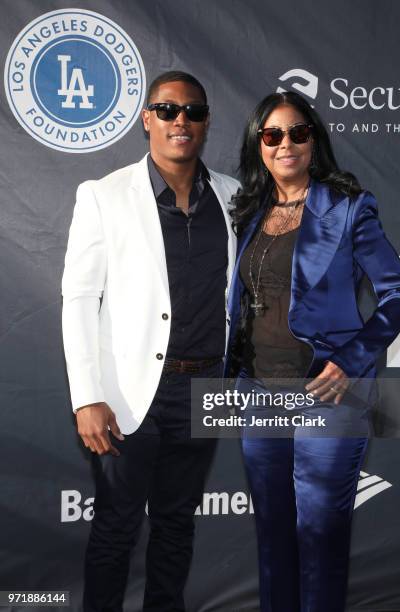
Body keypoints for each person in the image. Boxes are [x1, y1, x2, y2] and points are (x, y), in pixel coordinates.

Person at [227, 91, 400, 612]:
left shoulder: (350, 207)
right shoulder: (249, 211)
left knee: (319, 538)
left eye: (297, 132)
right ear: (259, 146)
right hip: (259, 393)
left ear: (314, 141)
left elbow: (399, 292)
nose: (284, 143)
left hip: (325, 396)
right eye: (272, 135)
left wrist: (352, 361)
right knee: (273, 538)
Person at [61, 70, 239, 612]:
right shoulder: (103, 195)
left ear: (206, 122)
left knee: (176, 524)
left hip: (205, 387)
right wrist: (87, 396)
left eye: (192, 111)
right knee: (115, 527)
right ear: (147, 120)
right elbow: (79, 298)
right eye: (167, 110)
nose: (179, 121)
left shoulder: (233, 196)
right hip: (130, 394)